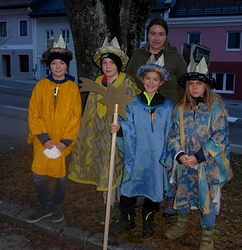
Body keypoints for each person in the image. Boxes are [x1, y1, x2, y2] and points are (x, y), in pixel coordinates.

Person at [68, 38, 140, 226]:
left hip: (121, 139)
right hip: (101, 139)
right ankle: (109, 207)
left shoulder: (128, 84)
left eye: (111, 63)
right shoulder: (98, 84)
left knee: (119, 171)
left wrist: (123, 128)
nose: (107, 67)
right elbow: (91, 112)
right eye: (104, 63)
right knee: (106, 172)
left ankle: (123, 207)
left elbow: (135, 113)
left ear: (118, 65)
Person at [164, 68, 233, 249]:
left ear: (206, 86)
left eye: (199, 84)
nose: (194, 87)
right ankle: (182, 224)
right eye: (191, 84)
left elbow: (220, 138)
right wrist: (180, 155)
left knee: (207, 199)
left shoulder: (216, 110)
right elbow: (173, 135)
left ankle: (207, 234)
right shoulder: (179, 109)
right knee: (183, 192)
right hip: (184, 163)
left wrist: (199, 157)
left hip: (206, 165)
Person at [126, 17, 187, 217]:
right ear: (148, 34)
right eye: (153, 33)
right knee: (145, 153)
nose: (156, 38)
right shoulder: (138, 56)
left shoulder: (174, 57)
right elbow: (129, 82)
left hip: (169, 113)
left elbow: (185, 83)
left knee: (170, 154)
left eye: (161, 34)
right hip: (144, 112)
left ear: (166, 36)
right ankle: (143, 190)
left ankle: (171, 196)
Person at [109, 63, 173, 238]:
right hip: (137, 156)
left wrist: (167, 158)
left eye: (155, 80)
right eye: (148, 79)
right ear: (142, 80)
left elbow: (171, 134)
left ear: (161, 83)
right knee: (128, 190)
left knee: (153, 191)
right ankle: (128, 219)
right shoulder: (133, 104)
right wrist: (119, 129)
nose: (151, 83)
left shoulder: (167, 107)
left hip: (156, 159)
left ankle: (148, 220)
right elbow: (128, 126)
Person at [26, 35, 82, 223]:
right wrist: (43, 137)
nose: (58, 67)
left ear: (67, 66)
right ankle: (45, 204)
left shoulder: (73, 89)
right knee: (38, 175)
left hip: (63, 143)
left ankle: (58, 205)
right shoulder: (41, 87)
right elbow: (34, 113)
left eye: (61, 64)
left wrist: (65, 141)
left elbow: (76, 116)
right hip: (43, 141)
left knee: (62, 177)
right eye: (54, 63)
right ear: (49, 66)